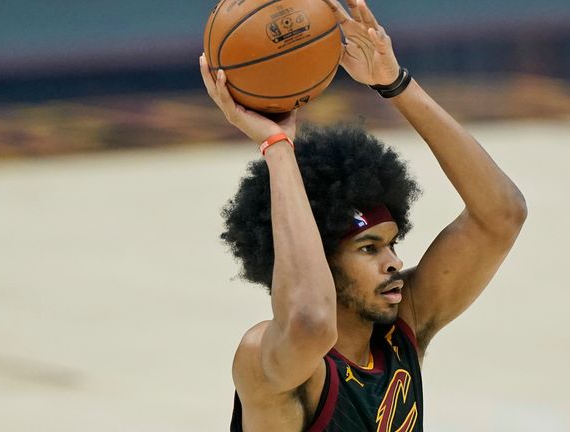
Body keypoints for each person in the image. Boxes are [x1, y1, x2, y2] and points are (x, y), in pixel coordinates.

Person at [199, 0, 527, 430]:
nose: (393, 261)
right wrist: (278, 147)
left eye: (391, 243)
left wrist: (394, 83)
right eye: (368, 248)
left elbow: (502, 214)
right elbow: (310, 321)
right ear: (322, 260)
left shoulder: (401, 327)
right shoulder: (270, 360)